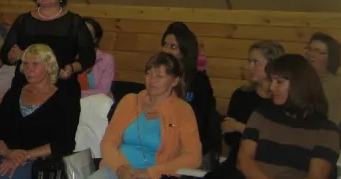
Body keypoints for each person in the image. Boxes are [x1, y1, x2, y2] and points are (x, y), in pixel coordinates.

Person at [0, 44, 81, 179]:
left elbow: (64, 143)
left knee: (9, 175)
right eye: (26, 64)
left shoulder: (65, 99)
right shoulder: (14, 93)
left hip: (39, 161)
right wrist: (8, 153)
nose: (29, 69)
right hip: (5, 155)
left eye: (35, 64)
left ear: (48, 66)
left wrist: (25, 156)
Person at [93, 52, 202, 179]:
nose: (152, 80)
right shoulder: (130, 101)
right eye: (149, 73)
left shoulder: (183, 110)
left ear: (175, 81)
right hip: (116, 169)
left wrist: (151, 172)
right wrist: (119, 169)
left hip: (153, 175)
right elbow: (108, 143)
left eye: (160, 76)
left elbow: (193, 157)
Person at [237, 54, 340, 179]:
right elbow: (244, 160)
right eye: (272, 81)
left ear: (299, 85)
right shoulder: (262, 115)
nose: (272, 87)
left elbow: (316, 176)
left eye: (279, 82)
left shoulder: (326, 131)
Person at [1, 0, 96, 99]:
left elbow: (89, 57)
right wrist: (12, 56)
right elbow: (4, 55)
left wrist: (72, 68)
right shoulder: (23, 20)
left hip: (62, 88)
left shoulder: (74, 22)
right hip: (25, 86)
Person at [206, 41, 284, 178]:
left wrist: (239, 127)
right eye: (249, 62)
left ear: (272, 65)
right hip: (236, 161)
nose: (250, 67)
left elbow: (274, 140)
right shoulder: (241, 95)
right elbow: (230, 138)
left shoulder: (281, 100)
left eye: (256, 62)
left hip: (268, 166)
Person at [161, 22, 216, 157]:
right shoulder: (159, 76)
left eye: (173, 47)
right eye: (165, 45)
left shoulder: (199, 81)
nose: (167, 51)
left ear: (185, 51)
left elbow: (197, 121)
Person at [304, 32, 341, 126]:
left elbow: (334, 121)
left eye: (318, 51)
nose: (311, 54)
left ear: (331, 58)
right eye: (309, 49)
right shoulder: (298, 79)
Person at [79, 17, 115, 99]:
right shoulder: (67, 58)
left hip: (99, 103)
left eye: (88, 33)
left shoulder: (106, 60)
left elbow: (103, 92)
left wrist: (74, 94)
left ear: (95, 39)